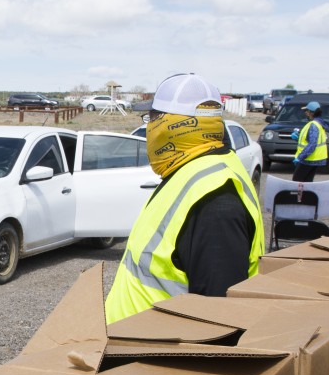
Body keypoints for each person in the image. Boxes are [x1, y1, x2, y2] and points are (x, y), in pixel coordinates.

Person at [104, 73, 265, 323]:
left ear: (174, 125)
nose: (148, 127)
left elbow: (218, 322)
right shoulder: (190, 172)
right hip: (129, 347)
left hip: (153, 357)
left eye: (152, 118)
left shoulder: (214, 202)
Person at [292, 101, 328, 182]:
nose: (305, 113)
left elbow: (312, 144)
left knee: (297, 181)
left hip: (309, 159)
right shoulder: (318, 123)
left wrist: (300, 157)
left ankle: (301, 195)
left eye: (306, 111)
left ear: (311, 112)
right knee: (307, 182)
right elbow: (310, 140)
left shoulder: (313, 125)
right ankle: (306, 195)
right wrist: (297, 138)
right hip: (315, 159)